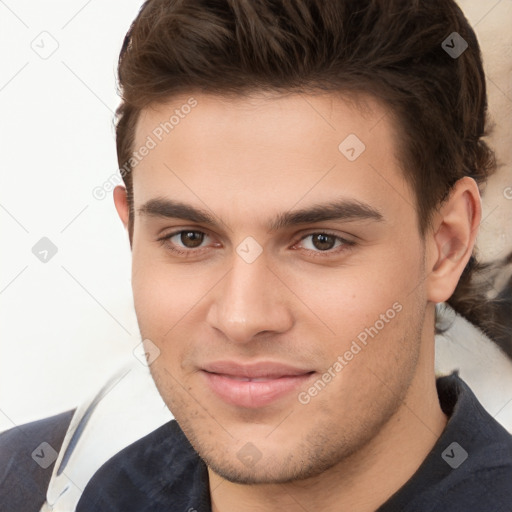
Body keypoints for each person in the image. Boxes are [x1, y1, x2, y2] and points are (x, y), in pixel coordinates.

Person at [2, 1, 512, 510]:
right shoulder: (23, 483)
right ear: (132, 232)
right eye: (190, 238)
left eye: (321, 241)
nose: (242, 318)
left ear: (446, 245)